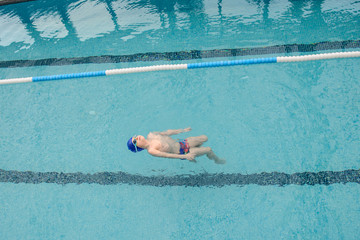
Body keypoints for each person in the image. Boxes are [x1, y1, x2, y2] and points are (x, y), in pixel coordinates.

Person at [127, 127, 225, 164]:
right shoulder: (151, 150)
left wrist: (182, 130)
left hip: (182, 142)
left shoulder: (151, 134)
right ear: (138, 147)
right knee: (208, 149)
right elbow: (168, 156)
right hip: (183, 152)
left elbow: (167, 132)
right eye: (135, 142)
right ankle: (217, 160)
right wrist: (185, 156)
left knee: (204, 138)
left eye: (135, 137)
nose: (137, 138)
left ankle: (198, 153)